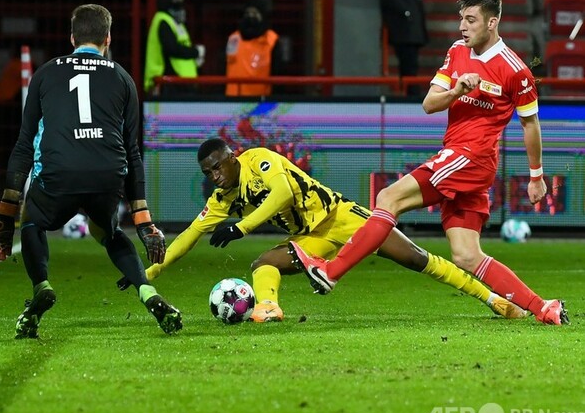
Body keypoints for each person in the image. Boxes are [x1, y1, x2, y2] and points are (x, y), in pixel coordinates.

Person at [289, 0, 569, 326]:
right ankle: (544, 307)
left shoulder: (516, 71)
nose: (462, 27)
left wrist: (537, 176)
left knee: (388, 198)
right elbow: (428, 104)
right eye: (461, 19)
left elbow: (530, 124)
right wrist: (457, 91)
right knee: (466, 255)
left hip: (472, 158)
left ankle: (330, 272)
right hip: (460, 157)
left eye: (471, 20)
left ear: (492, 22)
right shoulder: (457, 52)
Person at [120, 138, 526, 323]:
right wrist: (148, 272)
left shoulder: (258, 160)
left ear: (232, 157)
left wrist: (241, 227)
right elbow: (189, 235)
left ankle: (492, 298)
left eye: (217, 167)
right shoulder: (223, 198)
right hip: (310, 239)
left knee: (418, 259)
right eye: (208, 173)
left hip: (342, 217)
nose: (214, 176)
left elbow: (281, 193)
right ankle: (267, 308)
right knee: (264, 264)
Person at [0, 4, 182, 338]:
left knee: (32, 221)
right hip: (107, 174)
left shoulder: (45, 73)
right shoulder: (122, 77)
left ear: (72, 38)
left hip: (59, 173)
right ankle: (147, 291)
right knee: (107, 231)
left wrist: (4, 214)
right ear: (108, 38)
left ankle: (41, 287)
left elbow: (24, 145)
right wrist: (143, 219)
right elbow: (132, 152)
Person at [143, 0, 205, 96]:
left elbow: (182, 46)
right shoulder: (162, 21)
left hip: (182, 82)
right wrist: (195, 52)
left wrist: (195, 58)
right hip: (166, 82)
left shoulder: (176, 23)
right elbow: (171, 48)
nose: (180, 1)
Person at [225, 0, 287, 97]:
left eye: (254, 14)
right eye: (247, 13)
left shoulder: (271, 40)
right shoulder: (233, 38)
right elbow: (225, 67)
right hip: (233, 99)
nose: (250, 17)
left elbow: (278, 73)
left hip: (260, 100)